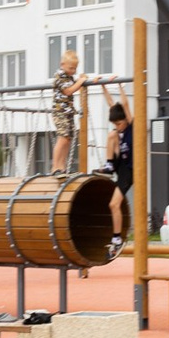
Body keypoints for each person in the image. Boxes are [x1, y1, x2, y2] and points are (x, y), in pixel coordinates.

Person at [96, 81, 134, 257]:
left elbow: (125, 104)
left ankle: (117, 239)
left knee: (113, 204)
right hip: (119, 163)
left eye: (119, 123)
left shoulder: (131, 126)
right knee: (112, 135)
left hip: (129, 169)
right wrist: (103, 85)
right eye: (116, 123)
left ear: (125, 120)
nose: (118, 126)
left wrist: (120, 85)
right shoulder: (117, 131)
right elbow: (111, 103)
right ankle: (109, 164)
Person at [50, 50, 87, 173]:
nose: (73, 71)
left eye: (75, 68)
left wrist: (82, 80)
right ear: (62, 64)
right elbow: (68, 91)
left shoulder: (69, 77)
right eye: (71, 68)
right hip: (60, 112)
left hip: (68, 112)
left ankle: (62, 166)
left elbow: (74, 85)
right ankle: (55, 166)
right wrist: (80, 82)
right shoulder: (60, 75)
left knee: (68, 139)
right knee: (62, 138)